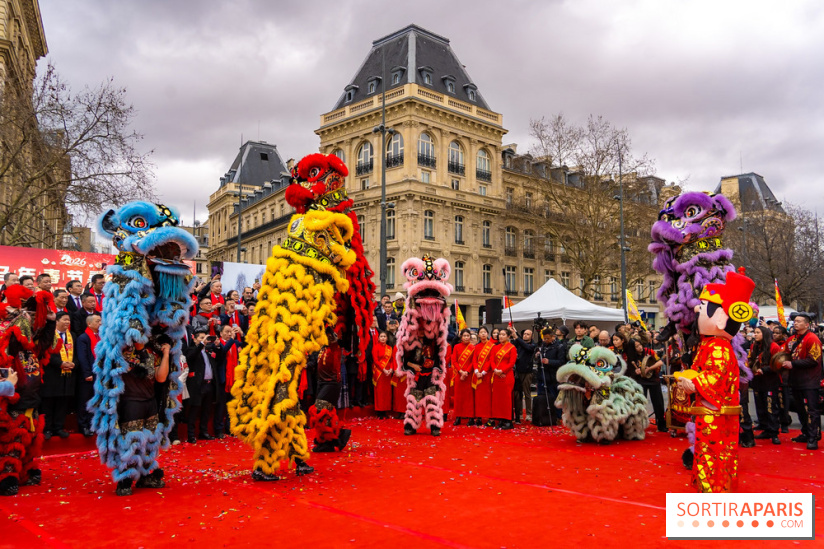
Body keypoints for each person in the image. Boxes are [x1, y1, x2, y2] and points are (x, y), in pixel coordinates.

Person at [675, 271, 755, 493]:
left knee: (713, 453)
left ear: (720, 318)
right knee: (711, 453)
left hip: (715, 414)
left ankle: (713, 490)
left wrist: (694, 381)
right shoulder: (710, 344)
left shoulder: (718, 346)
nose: (697, 310)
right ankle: (712, 487)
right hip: (711, 412)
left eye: (703, 307)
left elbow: (715, 377)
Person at [112, 335, 172, 495]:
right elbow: (146, 370)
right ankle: (124, 480)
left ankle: (144, 476)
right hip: (131, 403)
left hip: (150, 402)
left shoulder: (150, 353)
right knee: (131, 444)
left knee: (150, 443)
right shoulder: (123, 352)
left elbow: (160, 377)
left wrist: (166, 354)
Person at [781, 312, 822, 450]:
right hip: (795, 380)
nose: (795, 323)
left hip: (809, 381)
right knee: (800, 409)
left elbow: (813, 360)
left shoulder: (812, 338)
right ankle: (805, 433)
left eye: (799, 321)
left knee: (812, 410)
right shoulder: (792, 339)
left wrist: (793, 364)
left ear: (806, 324)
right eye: (795, 321)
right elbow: (784, 354)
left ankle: (813, 437)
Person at [308, 330, 350, 454]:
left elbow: (331, 333)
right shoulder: (323, 347)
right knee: (327, 413)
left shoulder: (335, 346)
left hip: (332, 383)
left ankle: (338, 437)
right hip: (322, 382)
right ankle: (327, 442)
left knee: (320, 410)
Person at [40, 312, 75, 439]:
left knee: (62, 404)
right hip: (52, 374)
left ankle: (58, 428)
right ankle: (47, 429)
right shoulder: (49, 336)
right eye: (65, 320)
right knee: (48, 404)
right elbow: (45, 353)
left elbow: (76, 355)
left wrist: (73, 364)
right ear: (57, 321)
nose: (67, 323)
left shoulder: (73, 336)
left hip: (67, 375)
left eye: (69, 320)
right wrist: (60, 363)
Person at [184, 327, 219, 443]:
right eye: (201, 338)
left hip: (209, 385)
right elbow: (190, 357)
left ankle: (203, 432)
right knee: (194, 410)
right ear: (194, 339)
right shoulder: (191, 349)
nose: (204, 340)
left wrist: (218, 345)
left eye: (206, 338)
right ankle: (191, 435)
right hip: (197, 385)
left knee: (206, 411)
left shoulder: (208, 351)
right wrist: (201, 345)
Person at [749, 326, 781, 445]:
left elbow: (778, 363)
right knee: (760, 406)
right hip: (758, 381)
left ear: (764, 334)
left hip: (770, 381)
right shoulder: (754, 346)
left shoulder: (774, 347)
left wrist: (765, 370)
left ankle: (774, 433)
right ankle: (765, 428)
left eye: (757, 332)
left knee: (770, 407)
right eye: (754, 332)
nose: (755, 335)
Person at [632, 337, 667, 433]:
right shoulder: (633, 356)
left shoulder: (649, 351)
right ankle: (639, 426)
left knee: (658, 403)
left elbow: (660, 362)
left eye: (639, 345)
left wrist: (649, 368)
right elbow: (631, 370)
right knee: (640, 404)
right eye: (636, 346)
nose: (639, 348)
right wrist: (636, 371)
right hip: (641, 381)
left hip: (654, 380)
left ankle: (661, 425)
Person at [74, 314, 101, 437]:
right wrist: (87, 373)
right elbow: (82, 357)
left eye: (101, 321)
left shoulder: (101, 337)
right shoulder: (83, 338)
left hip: (99, 374)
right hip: (88, 374)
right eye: (97, 321)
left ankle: (93, 424)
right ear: (89, 324)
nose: (100, 323)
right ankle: (83, 426)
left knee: (95, 400)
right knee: (85, 400)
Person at [215, 323, 242, 439]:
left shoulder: (235, 344)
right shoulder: (218, 344)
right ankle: (218, 430)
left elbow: (246, 344)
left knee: (232, 406)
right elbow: (223, 352)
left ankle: (230, 428)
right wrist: (232, 339)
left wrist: (241, 333)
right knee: (221, 406)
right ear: (221, 333)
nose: (229, 333)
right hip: (223, 379)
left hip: (234, 379)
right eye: (227, 331)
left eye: (231, 331)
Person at [533, 327, 565, 426]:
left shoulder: (559, 346)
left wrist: (549, 361)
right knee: (541, 397)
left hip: (553, 377)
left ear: (553, 337)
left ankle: (558, 417)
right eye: (544, 338)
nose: (545, 340)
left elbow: (562, 362)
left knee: (555, 398)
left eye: (547, 338)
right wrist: (538, 356)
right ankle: (542, 417)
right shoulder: (543, 346)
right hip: (542, 376)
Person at [489, 329, 517, 429]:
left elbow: (511, 363)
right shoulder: (495, 348)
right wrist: (495, 370)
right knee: (498, 399)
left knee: (506, 399)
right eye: (499, 334)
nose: (500, 336)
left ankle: (508, 421)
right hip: (496, 375)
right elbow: (491, 360)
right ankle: (500, 420)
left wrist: (502, 371)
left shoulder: (512, 348)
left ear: (508, 336)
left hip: (506, 376)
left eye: (503, 334)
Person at [450, 329, 475, 426]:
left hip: (469, 375)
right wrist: (460, 371)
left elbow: (473, 362)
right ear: (461, 337)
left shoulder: (473, 348)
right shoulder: (456, 347)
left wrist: (467, 372)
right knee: (458, 397)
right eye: (464, 336)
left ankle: (470, 418)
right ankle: (458, 417)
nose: (466, 337)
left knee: (469, 397)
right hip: (458, 375)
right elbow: (454, 360)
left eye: (468, 336)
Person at [512, 328, 536, 423]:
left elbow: (527, 347)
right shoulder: (519, 343)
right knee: (518, 394)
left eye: (528, 334)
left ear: (531, 336)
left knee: (527, 393)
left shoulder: (533, 345)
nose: (525, 335)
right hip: (518, 371)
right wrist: (515, 333)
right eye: (524, 334)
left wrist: (517, 337)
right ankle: (520, 413)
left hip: (527, 372)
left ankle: (529, 413)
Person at [472, 327, 494, 426]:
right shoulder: (476, 347)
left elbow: (491, 360)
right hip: (478, 375)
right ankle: (479, 417)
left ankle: (490, 418)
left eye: (485, 332)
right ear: (478, 335)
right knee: (479, 397)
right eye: (481, 332)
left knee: (488, 397)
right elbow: (474, 360)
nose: (483, 334)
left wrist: (484, 372)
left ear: (487, 333)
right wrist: (477, 371)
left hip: (487, 375)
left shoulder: (491, 346)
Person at [372, 331, 395, 418]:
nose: (383, 338)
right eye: (381, 336)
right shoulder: (376, 347)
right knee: (380, 392)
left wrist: (391, 369)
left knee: (387, 392)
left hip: (388, 373)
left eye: (384, 336)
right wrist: (383, 369)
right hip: (380, 372)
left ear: (387, 338)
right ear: (378, 338)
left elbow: (392, 359)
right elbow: (375, 360)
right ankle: (379, 411)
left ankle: (385, 410)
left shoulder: (389, 348)